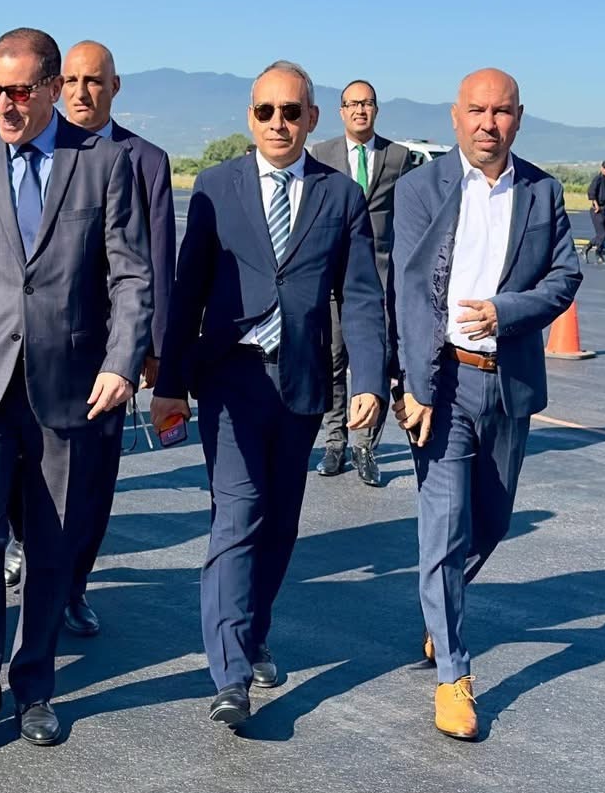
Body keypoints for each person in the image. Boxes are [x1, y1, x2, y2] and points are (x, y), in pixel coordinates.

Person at [0, 27, 150, 760]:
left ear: (50, 88)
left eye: (18, 92)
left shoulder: (102, 162)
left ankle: (35, 683)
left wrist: (121, 361)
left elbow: (130, 274)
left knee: (51, 545)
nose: (4, 105)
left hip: (67, 385)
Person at [152, 61, 385, 728]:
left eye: (290, 112)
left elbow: (361, 296)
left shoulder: (341, 195)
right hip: (231, 377)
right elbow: (187, 290)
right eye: (265, 112)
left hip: (302, 380)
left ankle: (253, 633)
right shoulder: (216, 186)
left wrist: (370, 380)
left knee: (280, 523)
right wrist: (170, 384)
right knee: (238, 514)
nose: (277, 123)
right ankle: (229, 675)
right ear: (249, 118)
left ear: (312, 119)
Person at [391, 68, 581, 740]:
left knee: (492, 522)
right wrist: (414, 385)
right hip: (443, 381)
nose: (488, 123)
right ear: (455, 116)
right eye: (476, 110)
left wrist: (507, 311)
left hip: (508, 382)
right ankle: (454, 676)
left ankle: (438, 607)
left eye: (501, 112)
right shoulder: (420, 188)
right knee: (443, 527)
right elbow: (410, 292)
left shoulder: (542, 191)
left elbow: (565, 277)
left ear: (518, 118)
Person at [39, 39, 176, 635]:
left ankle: (73, 585)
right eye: (70, 80)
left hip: (107, 351)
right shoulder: (37, 150)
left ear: (114, 87)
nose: (80, 92)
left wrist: (153, 349)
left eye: (93, 81)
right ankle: (30, 549)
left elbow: (158, 261)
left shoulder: (145, 160)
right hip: (37, 346)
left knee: (93, 480)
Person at [307, 80, 409, 487]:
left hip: (380, 277)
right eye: (352, 104)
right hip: (333, 276)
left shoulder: (398, 157)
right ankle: (335, 442)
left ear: (376, 109)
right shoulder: (322, 154)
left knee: (374, 363)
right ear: (341, 111)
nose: (359, 110)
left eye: (366, 103)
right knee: (332, 362)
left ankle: (365, 446)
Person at [584, 161, 605, 266]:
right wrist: (596, 205)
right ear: (601, 168)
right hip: (597, 210)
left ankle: (595, 252)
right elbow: (591, 192)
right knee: (602, 234)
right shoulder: (598, 179)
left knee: (603, 235)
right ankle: (591, 250)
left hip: (604, 209)